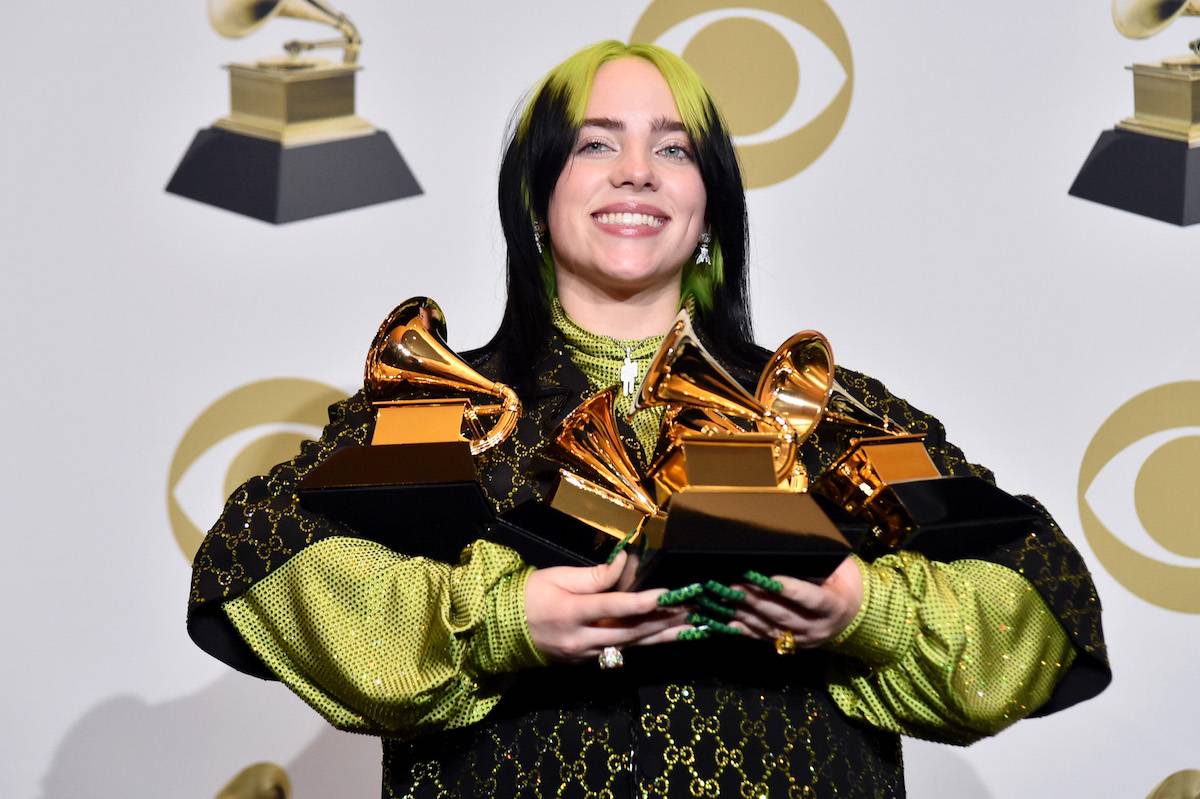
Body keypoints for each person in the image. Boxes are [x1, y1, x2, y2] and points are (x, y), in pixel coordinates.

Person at [187, 40, 1110, 797]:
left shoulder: (836, 416)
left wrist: (865, 610)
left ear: (710, 207)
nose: (636, 172)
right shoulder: (434, 409)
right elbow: (256, 561)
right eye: (596, 145)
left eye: (673, 149)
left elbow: (1040, 590)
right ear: (538, 200)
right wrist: (499, 619)